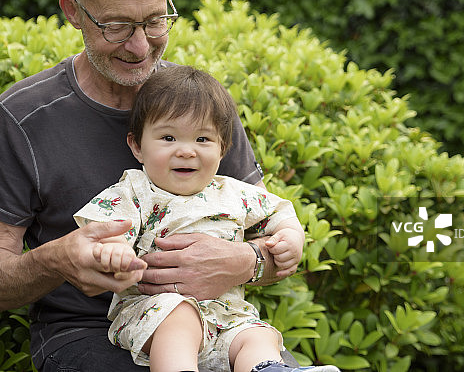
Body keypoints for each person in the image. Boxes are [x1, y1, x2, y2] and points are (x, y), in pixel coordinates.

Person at [0, 0, 297, 371]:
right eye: (118, 26)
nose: (141, 45)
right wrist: (58, 258)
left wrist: (248, 260)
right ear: (73, 11)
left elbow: (271, 232)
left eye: (155, 20)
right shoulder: (26, 116)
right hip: (83, 335)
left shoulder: (198, 104)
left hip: (222, 328)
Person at [74, 66, 339, 372]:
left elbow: (280, 212)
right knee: (179, 318)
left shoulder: (233, 192)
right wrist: (114, 250)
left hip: (227, 317)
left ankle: (266, 369)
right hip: (155, 311)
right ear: (137, 146)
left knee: (257, 335)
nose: (186, 151)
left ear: (223, 149)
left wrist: (290, 238)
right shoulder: (136, 190)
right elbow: (103, 228)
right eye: (169, 137)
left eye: (202, 139)